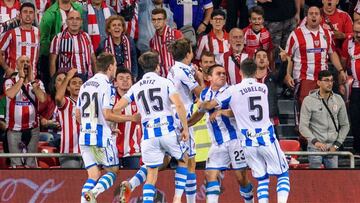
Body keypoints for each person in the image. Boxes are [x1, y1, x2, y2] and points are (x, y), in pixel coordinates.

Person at [200, 59, 290, 203]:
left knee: (261, 178)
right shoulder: (263, 87)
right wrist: (223, 112)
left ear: (240, 72)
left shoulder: (232, 90)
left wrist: (204, 106)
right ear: (255, 72)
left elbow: (211, 104)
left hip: (247, 141)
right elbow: (245, 109)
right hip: (266, 137)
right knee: (283, 174)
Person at [113, 51, 190, 203]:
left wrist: (131, 118)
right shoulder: (165, 82)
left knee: (152, 172)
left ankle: (132, 184)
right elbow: (179, 105)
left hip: (148, 135)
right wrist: (185, 128)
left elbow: (116, 108)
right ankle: (177, 198)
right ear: (157, 66)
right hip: (167, 130)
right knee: (184, 159)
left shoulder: (136, 87)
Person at [76, 52, 138, 202]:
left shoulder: (85, 85)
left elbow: (78, 115)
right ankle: (95, 193)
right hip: (100, 137)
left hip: (84, 136)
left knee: (93, 175)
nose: (115, 67)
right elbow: (107, 114)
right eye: (115, 65)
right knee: (113, 171)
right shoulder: (107, 86)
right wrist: (131, 117)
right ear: (110, 67)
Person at [188, 64, 254, 203]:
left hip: (235, 140)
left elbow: (241, 113)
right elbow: (200, 113)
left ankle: (250, 200)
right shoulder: (205, 93)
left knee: (241, 178)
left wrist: (221, 111)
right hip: (217, 143)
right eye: (219, 73)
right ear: (209, 77)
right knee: (210, 175)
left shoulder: (232, 91)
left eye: (224, 73)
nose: (223, 75)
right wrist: (185, 125)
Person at [285, 6, 346, 106]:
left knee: (324, 111)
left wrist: (341, 70)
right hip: (304, 79)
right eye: (311, 13)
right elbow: (288, 57)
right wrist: (287, 75)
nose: (313, 16)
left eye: (316, 14)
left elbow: (332, 53)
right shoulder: (296, 34)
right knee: (306, 112)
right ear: (306, 17)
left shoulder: (327, 34)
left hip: (323, 80)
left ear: (321, 18)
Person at [167, 38, 204, 203]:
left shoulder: (174, 68)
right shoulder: (185, 72)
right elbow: (200, 94)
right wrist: (201, 79)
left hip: (172, 116)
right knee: (188, 162)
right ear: (188, 54)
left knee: (186, 160)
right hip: (182, 119)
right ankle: (182, 199)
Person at [299, 70, 350, 168]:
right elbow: (303, 126)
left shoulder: (339, 99)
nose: (330, 83)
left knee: (333, 180)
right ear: (318, 82)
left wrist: (336, 145)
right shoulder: (308, 100)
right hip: (315, 148)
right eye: (326, 80)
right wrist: (315, 142)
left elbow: (345, 125)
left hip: (332, 147)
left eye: (331, 81)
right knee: (315, 180)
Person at [5, 55, 46, 168]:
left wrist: (32, 80)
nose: (25, 64)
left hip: (33, 129)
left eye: (28, 61)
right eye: (22, 61)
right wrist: (22, 79)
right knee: (16, 165)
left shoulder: (37, 82)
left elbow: (42, 99)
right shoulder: (10, 81)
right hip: (14, 129)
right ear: (17, 66)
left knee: (31, 164)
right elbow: (10, 94)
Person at [39, 0, 82, 90]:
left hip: (77, 58)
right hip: (57, 57)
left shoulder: (79, 9)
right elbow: (43, 38)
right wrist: (54, 53)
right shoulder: (49, 14)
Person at [49, 10, 96, 81]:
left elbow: (93, 59)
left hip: (85, 76)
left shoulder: (86, 37)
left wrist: (95, 77)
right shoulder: (58, 38)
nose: (74, 21)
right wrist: (54, 82)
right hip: (66, 78)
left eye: (77, 19)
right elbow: (52, 62)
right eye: (71, 18)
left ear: (81, 22)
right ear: (66, 21)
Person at [0, 2, 40, 77]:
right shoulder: (11, 32)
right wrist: (7, 68)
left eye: (31, 12)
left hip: (32, 78)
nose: (28, 14)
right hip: (13, 76)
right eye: (25, 12)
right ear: (20, 15)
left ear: (34, 15)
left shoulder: (38, 32)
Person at [55, 68, 83, 168]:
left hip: (88, 153)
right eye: (74, 83)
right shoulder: (66, 102)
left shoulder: (89, 104)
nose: (77, 85)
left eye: (80, 83)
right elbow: (58, 98)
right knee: (72, 182)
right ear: (68, 88)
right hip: (69, 153)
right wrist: (67, 78)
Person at [113, 68, 141, 168]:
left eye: (128, 78)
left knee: (134, 182)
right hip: (112, 149)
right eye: (121, 78)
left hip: (132, 150)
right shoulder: (110, 99)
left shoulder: (139, 100)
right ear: (115, 83)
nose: (125, 80)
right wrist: (131, 118)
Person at [341, 21, 360, 154]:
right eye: (356, 31)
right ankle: (357, 148)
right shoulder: (348, 42)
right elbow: (343, 63)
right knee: (355, 118)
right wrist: (342, 83)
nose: (358, 35)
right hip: (356, 88)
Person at [149, 8, 183, 77]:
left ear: (165, 20)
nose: (156, 22)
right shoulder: (152, 41)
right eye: (154, 20)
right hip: (163, 78)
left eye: (159, 19)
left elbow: (185, 55)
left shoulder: (176, 34)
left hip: (178, 76)